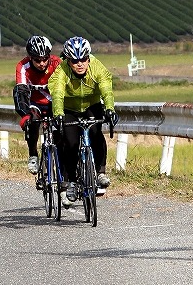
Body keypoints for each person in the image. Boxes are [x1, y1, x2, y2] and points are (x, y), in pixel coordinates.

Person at [48, 36, 118, 202]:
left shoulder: (96, 67)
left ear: (88, 58)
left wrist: (110, 109)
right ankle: (71, 180)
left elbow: (106, 89)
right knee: (70, 142)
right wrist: (58, 113)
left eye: (83, 60)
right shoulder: (62, 70)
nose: (79, 64)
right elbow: (57, 93)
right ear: (68, 60)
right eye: (74, 61)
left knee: (95, 133)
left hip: (91, 105)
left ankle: (100, 172)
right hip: (68, 108)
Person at [12, 35, 73, 206]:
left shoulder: (57, 63)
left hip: (55, 103)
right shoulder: (22, 66)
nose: (42, 63)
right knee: (33, 121)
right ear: (30, 57)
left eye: (45, 59)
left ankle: (64, 183)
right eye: (37, 60)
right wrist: (24, 115)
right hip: (34, 103)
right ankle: (33, 154)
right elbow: (21, 92)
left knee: (62, 140)